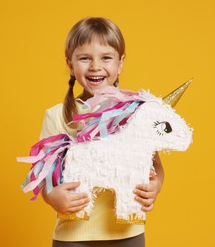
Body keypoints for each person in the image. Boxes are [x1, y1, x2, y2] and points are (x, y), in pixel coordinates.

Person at [39, 17, 164, 247]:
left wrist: (154, 187)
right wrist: (52, 197)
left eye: (106, 57)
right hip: (73, 237)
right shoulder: (56, 116)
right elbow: (45, 179)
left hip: (128, 234)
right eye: (85, 58)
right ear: (70, 64)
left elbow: (156, 166)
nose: (95, 66)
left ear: (120, 62)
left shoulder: (137, 113)